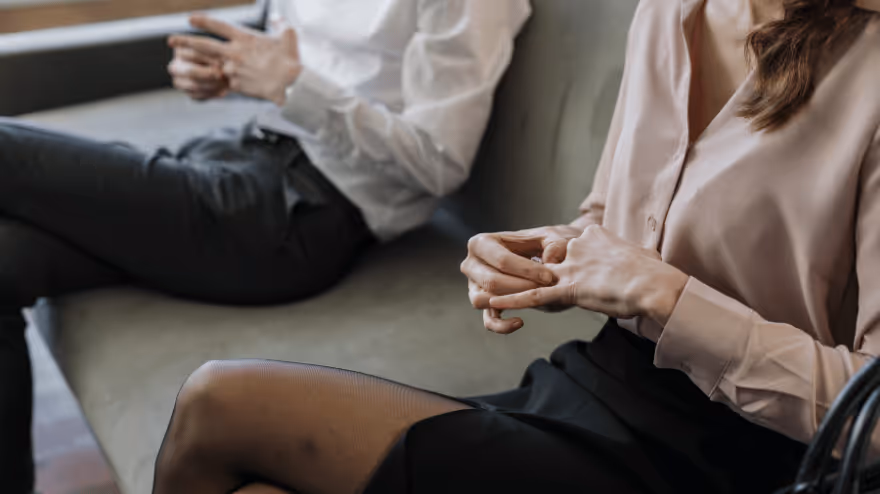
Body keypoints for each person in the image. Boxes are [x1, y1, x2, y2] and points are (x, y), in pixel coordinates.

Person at [150, 0, 880, 493]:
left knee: (222, 399)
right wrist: (539, 257)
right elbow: (615, 218)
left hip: (736, 455)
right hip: (598, 381)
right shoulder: (669, 9)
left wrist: (666, 296)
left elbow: (871, 422)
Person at [0, 1, 531, 492]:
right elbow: (285, 50)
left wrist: (292, 86)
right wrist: (224, 72)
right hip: (237, 155)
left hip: (295, 215)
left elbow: (439, 161)